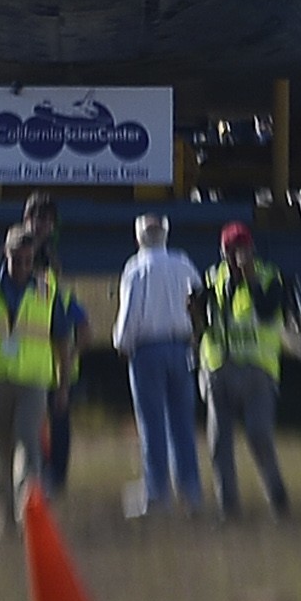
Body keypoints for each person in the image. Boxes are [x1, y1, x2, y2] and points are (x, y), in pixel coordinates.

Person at [0, 224, 74, 534]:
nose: (21, 266)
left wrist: (63, 385)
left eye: (27, 260)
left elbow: (62, 340)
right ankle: (4, 519)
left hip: (33, 380)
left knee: (28, 442)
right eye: (16, 259)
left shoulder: (47, 291)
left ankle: (29, 514)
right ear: (4, 255)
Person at [196, 223, 290, 519]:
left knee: (258, 433)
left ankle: (276, 493)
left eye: (243, 249)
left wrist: (249, 278)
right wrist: (194, 312)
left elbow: (267, 310)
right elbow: (204, 324)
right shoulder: (213, 277)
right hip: (218, 367)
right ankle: (229, 508)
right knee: (218, 442)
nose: (237, 256)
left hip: (257, 369)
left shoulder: (268, 276)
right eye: (231, 250)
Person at [112, 213, 204, 513]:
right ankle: (191, 491)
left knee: (152, 423)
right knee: (182, 423)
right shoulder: (182, 262)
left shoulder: (136, 268)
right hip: (180, 348)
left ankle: (157, 492)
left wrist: (122, 343)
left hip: (147, 349)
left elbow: (131, 313)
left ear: (138, 236)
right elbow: (198, 298)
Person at [21, 192, 87, 490]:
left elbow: (79, 322)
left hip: (55, 362)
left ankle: (55, 477)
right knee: (30, 425)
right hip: (26, 362)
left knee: (58, 422)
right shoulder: (14, 255)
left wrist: (69, 356)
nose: (41, 225)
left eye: (47, 220)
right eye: (36, 218)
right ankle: (35, 474)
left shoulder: (55, 274)